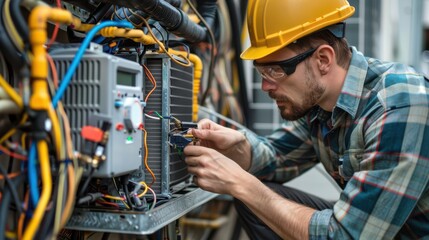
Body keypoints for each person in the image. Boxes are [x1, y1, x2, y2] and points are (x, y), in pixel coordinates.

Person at [184, 0, 429, 239]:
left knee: (251, 192)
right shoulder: (319, 105)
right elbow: (277, 157)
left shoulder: (399, 103)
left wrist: (241, 183)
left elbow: (346, 235)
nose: (265, 86)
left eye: (275, 70)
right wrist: (240, 148)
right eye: (261, 71)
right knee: (255, 202)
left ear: (323, 60)